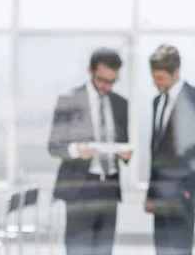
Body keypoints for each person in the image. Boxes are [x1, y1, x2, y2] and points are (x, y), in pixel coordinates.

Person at [48, 48, 132, 255]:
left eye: (112, 81)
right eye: (102, 80)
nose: (106, 86)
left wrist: (126, 153)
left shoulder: (120, 104)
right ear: (90, 71)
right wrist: (77, 150)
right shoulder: (69, 100)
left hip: (109, 187)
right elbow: (54, 146)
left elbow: (123, 140)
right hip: (81, 188)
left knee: (104, 250)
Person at [144, 44, 195, 255]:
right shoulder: (157, 101)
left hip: (183, 194)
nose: (156, 83)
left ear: (176, 72)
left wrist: (190, 187)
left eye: (160, 78)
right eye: (154, 77)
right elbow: (155, 150)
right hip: (159, 195)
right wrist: (150, 192)